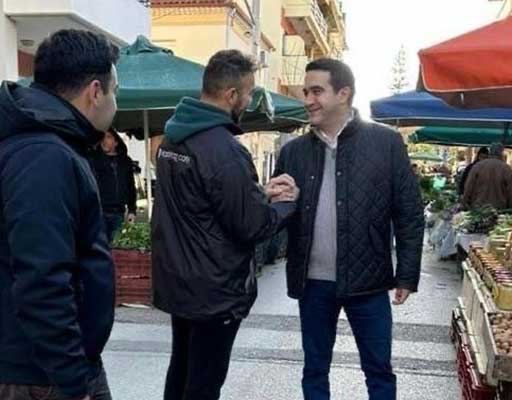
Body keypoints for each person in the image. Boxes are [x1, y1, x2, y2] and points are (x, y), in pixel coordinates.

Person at [271, 58, 425, 400]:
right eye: (305, 92)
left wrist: (406, 274)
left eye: (316, 91)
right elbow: (277, 215)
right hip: (313, 284)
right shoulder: (293, 152)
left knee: (379, 370)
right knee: (314, 369)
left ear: (343, 93)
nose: (308, 100)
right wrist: (274, 203)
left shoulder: (385, 143)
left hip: (368, 282)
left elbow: (409, 212)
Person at [151, 49, 298, 400]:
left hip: (179, 280)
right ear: (231, 95)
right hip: (214, 288)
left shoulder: (173, 138)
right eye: (248, 93)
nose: (249, 101)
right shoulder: (224, 149)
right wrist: (287, 205)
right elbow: (252, 226)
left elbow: (202, 201)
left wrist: (257, 192)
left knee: (181, 369)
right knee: (204, 382)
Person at [0, 29, 119, 400]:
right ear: (95, 91)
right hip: (42, 373)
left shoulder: (46, 142)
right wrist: (72, 380)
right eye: (115, 91)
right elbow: (42, 279)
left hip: (50, 364)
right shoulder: (44, 154)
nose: (115, 103)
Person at [90, 128, 137, 242]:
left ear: (116, 142)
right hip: (99, 213)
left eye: (108, 137)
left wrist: (132, 210)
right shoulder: (94, 160)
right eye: (102, 137)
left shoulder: (125, 161)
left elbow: (131, 186)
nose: (104, 141)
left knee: (116, 246)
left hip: (118, 213)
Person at [463, 143, 512, 210]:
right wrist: (510, 206)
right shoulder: (507, 169)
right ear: (501, 153)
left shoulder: (478, 166)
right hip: (499, 208)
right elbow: (510, 191)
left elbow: (469, 186)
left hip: (478, 207)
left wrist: (465, 202)